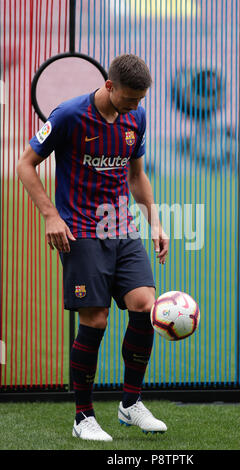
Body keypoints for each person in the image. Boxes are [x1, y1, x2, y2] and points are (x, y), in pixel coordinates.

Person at [17, 54, 169, 442]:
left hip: (120, 227)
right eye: (130, 98)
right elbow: (26, 165)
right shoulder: (69, 115)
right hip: (81, 230)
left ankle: (130, 404)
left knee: (144, 306)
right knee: (96, 320)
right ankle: (82, 416)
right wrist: (51, 215)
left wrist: (153, 219)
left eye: (140, 99)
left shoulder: (136, 118)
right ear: (109, 86)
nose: (136, 105)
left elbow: (136, 174)